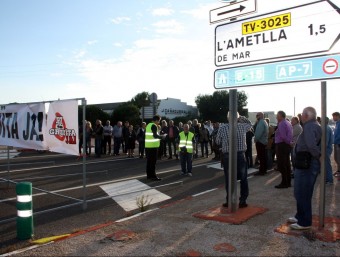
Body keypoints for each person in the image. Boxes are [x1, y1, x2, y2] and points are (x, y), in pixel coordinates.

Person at [288, 107, 321, 230]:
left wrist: (319, 157)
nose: (300, 116)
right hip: (305, 163)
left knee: (303, 193)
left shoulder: (310, 126)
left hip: (307, 164)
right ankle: (300, 215)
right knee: (299, 192)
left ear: (307, 115)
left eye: (302, 114)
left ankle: (305, 222)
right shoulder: (312, 125)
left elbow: (311, 145)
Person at [216, 113, 252, 208]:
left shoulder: (222, 127)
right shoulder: (242, 126)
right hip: (240, 154)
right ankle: (242, 200)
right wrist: (240, 117)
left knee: (229, 179)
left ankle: (230, 200)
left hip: (227, 155)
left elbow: (217, 141)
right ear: (238, 118)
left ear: (228, 118)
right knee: (243, 178)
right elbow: (250, 123)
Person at [274, 111, 293, 189]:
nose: (276, 117)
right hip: (286, 145)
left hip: (282, 145)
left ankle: (284, 182)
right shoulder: (288, 122)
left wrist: (288, 142)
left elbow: (283, 136)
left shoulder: (281, 123)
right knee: (287, 164)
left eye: (277, 116)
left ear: (281, 116)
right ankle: (288, 182)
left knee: (282, 164)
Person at [145, 115, 165, 181]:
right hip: (153, 146)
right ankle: (153, 176)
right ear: (156, 120)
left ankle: (149, 176)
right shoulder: (154, 125)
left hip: (148, 146)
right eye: (159, 121)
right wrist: (162, 137)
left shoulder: (148, 125)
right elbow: (155, 135)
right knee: (153, 162)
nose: (159, 122)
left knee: (149, 162)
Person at [324, 117, 334, 184]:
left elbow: (325, 141)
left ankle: (330, 180)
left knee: (327, 164)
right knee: (326, 164)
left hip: (326, 149)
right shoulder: (328, 127)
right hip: (328, 148)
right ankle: (328, 178)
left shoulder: (326, 128)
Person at [332, 112, 340, 177]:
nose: (333, 118)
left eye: (334, 116)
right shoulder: (337, 123)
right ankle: (338, 170)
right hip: (336, 143)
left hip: (338, 143)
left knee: (338, 158)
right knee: (336, 158)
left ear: (337, 116)